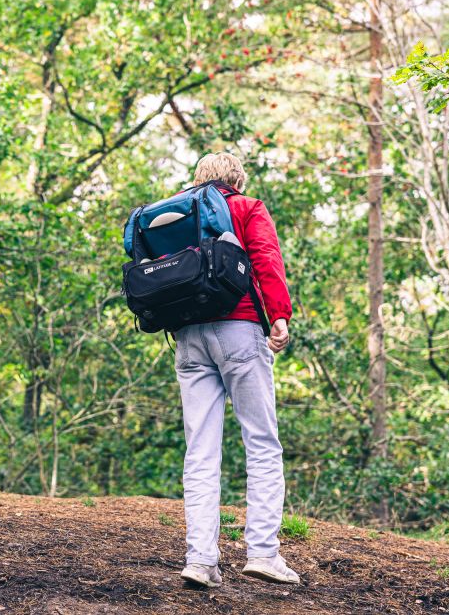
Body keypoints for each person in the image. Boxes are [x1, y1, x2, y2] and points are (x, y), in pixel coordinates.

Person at [175, 153, 299, 588]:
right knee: (261, 442)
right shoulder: (246, 207)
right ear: (238, 181)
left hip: (188, 336)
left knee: (200, 452)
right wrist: (279, 316)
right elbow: (265, 259)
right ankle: (263, 553)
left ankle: (200, 561)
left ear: (198, 179)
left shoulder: (175, 212)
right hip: (240, 329)